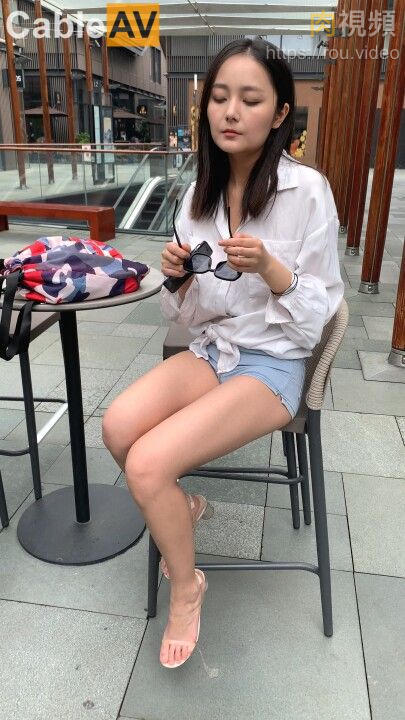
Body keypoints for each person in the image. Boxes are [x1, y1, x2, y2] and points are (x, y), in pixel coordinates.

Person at [102, 37, 344, 670]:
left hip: (275, 364)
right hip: (215, 350)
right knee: (118, 427)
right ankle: (183, 507)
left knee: (147, 464)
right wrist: (179, 280)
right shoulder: (197, 198)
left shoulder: (307, 192)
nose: (231, 111)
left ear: (281, 112)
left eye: (250, 99)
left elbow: (319, 319)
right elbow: (189, 317)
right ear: (204, 105)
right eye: (219, 97)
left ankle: (187, 587)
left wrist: (272, 269)